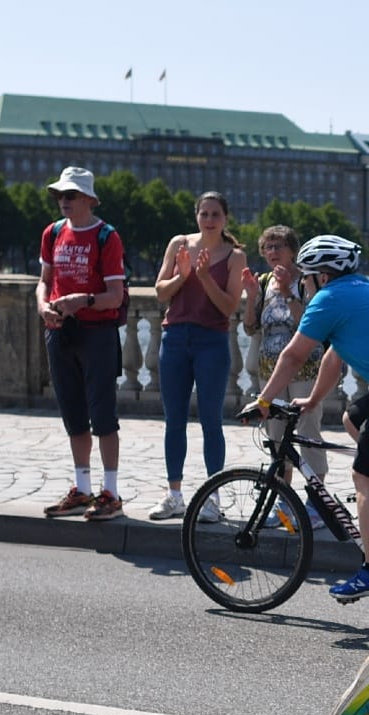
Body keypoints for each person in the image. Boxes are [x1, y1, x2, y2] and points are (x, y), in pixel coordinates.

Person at [251, 235, 369, 600]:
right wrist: (312, 399)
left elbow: (292, 356)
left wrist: (264, 400)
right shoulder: (359, 288)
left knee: (362, 474)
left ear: (322, 276)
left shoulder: (328, 299)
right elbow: (334, 355)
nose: (303, 282)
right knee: (352, 420)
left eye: (307, 275)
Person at [149, 191, 247, 522]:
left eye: (215, 214)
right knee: (173, 421)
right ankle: (174, 495)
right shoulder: (179, 244)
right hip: (175, 338)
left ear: (225, 219)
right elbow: (160, 292)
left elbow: (230, 307)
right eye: (204, 213)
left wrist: (204, 277)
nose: (209, 219)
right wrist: (183, 274)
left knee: (211, 422)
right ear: (196, 216)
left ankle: (212, 499)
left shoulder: (235, 257)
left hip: (212, 342)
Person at [36, 167, 126, 521]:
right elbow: (43, 282)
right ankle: (82, 488)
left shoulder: (106, 236)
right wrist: (45, 306)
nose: (63, 200)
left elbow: (115, 296)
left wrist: (82, 300)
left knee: (103, 416)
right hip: (61, 331)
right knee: (73, 414)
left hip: (97, 334)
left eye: (70, 195)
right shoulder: (53, 233)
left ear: (89, 199)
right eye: (59, 194)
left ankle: (111, 493)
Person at [241, 225, 326, 528]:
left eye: (278, 246)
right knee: (277, 440)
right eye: (267, 247)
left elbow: (313, 324)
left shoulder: (306, 282)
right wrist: (251, 297)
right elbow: (250, 328)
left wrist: (290, 291)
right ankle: (283, 502)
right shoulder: (263, 282)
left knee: (308, 435)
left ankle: (316, 504)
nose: (272, 252)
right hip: (270, 373)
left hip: (305, 370)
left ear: (293, 250)